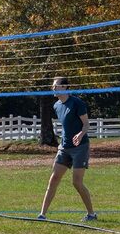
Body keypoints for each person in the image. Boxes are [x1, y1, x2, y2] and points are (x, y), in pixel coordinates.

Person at [38, 77, 97, 222]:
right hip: (64, 148)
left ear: (64, 87)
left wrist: (80, 134)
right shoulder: (56, 105)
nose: (53, 88)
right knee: (54, 179)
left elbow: (86, 125)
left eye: (55, 86)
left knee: (76, 182)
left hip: (80, 147)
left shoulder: (77, 103)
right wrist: (61, 143)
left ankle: (91, 214)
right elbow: (66, 126)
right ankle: (42, 215)